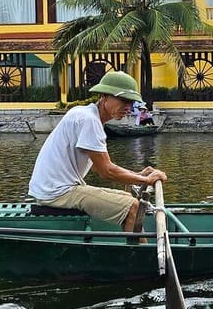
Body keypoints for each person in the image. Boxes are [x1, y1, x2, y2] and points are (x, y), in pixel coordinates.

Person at [28, 71, 167, 233]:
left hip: (52, 189)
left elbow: (99, 166)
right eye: (123, 100)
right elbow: (106, 171)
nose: (128, 107)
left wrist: (139, 176)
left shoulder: (85, 114)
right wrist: (146, 179)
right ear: (104, 97)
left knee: (129, 199)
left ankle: (136, 245)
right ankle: (139, 254)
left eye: (131, 103)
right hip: (57, 192)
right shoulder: (89, 121)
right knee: (133, 207)